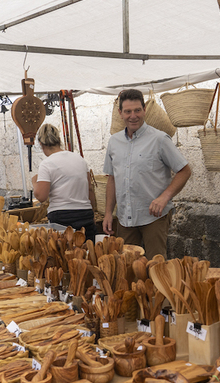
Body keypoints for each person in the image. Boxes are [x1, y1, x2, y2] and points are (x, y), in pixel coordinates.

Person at [102, 89, 192, 259]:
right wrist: (108, 213)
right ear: (120, 113)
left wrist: (164, 197)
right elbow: (112, 179)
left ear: (144, 110)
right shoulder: (114, 142)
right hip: (125, 218)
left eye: (137, 110)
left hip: (153, 217)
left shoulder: (159, 139)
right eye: (128, 111)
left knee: (156, 266)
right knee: (126, 266)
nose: (133, 116)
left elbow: (184, 170)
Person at [31, 124, 97, 242]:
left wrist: (35, 182)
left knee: (65, 256)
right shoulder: (80, 160)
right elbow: (90, 189)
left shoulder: (47, 164)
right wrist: (93, 213)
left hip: (62, 216)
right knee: (87, 255)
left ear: (41, 144)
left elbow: (41, 196)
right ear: (59, 140)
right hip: (85, 213)